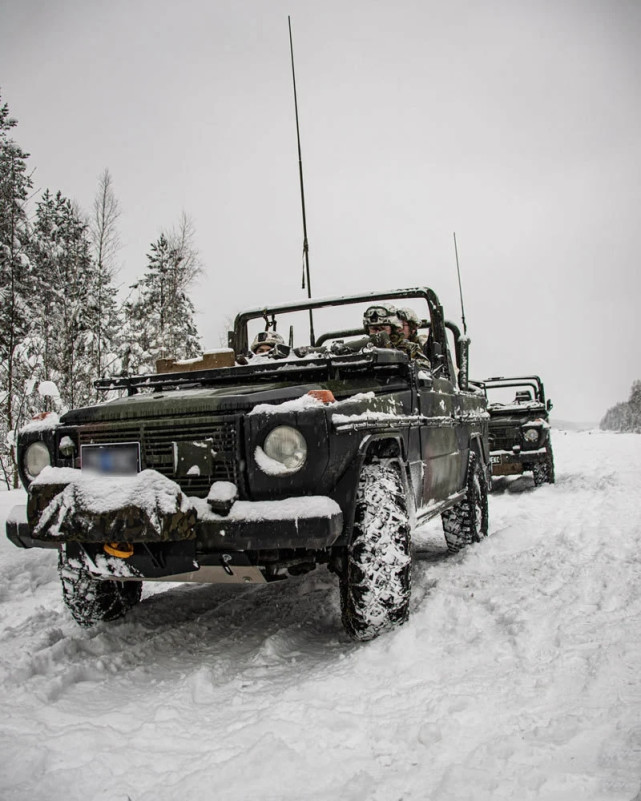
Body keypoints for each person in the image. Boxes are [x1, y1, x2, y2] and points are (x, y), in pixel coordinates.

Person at [362, 304, 427, 362]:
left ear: (393, 330)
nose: (378, 333)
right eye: (374, 329)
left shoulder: (409, 348)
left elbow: (423, 371)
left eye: (382, 329)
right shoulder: (362, 349)